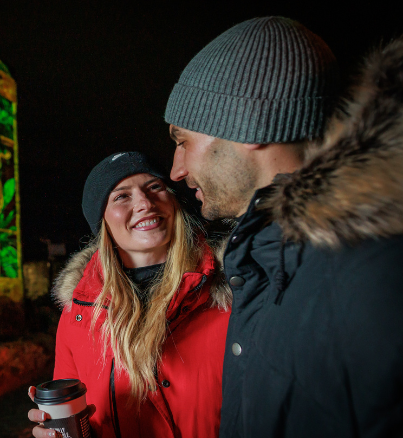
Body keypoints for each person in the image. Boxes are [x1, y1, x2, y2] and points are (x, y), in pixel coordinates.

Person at [165, 17, 403, 437]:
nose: (177, 171)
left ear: (247, 118)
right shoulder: (265, 259)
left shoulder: (375, 276)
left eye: (182, 141)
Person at [28, 151, 231, 438]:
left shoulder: (231, 291)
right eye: (122, 196)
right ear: (103, 223)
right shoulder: (79, 314)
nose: (145, 203)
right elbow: (78, 420)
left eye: (155, 187)